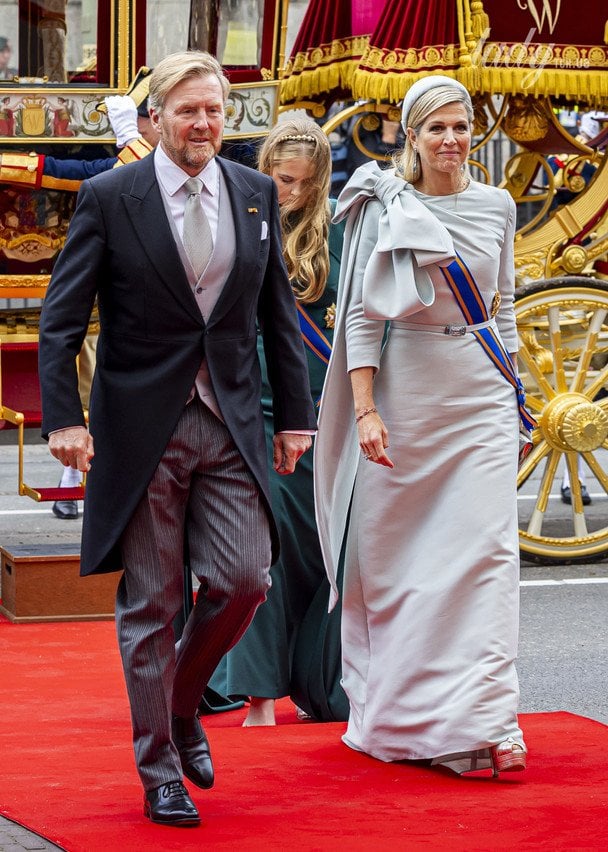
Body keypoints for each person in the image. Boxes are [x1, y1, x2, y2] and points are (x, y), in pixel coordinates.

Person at [38, 50, 316, 827]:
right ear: (156, 115)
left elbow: (274, 319)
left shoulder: (255, 193)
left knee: (246, 578)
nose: (203, 124)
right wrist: (63, 420)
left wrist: (294, 417)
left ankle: (184, 703)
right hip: (142, 427)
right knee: (153, 602)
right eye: (189, 110)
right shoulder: (109, 196)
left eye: (215, 111)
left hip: (230, 420)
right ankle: (159, 766)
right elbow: (61, 322)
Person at [314, 75, 533, 777]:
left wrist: (516, 395)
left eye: (461, 127)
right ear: (410, 136)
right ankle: (410, 720)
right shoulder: (385, 207)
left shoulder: (498, 205)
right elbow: (361, 319)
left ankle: (491, 720)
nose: (450, 140)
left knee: (488, 560)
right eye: (435, 128)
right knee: (404, 569)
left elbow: (502, 311)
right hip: (406, 398)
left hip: (480, 399)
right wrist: (367, 409)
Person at [208, 117, 348, 725]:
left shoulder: (339, 227)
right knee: (258, 549)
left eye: (301, 184)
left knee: (324, 553)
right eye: (280, 177)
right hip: (249, 403)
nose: (288, 191)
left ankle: (320, 679)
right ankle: (259, 694)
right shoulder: (231, 216)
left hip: (323, 407)